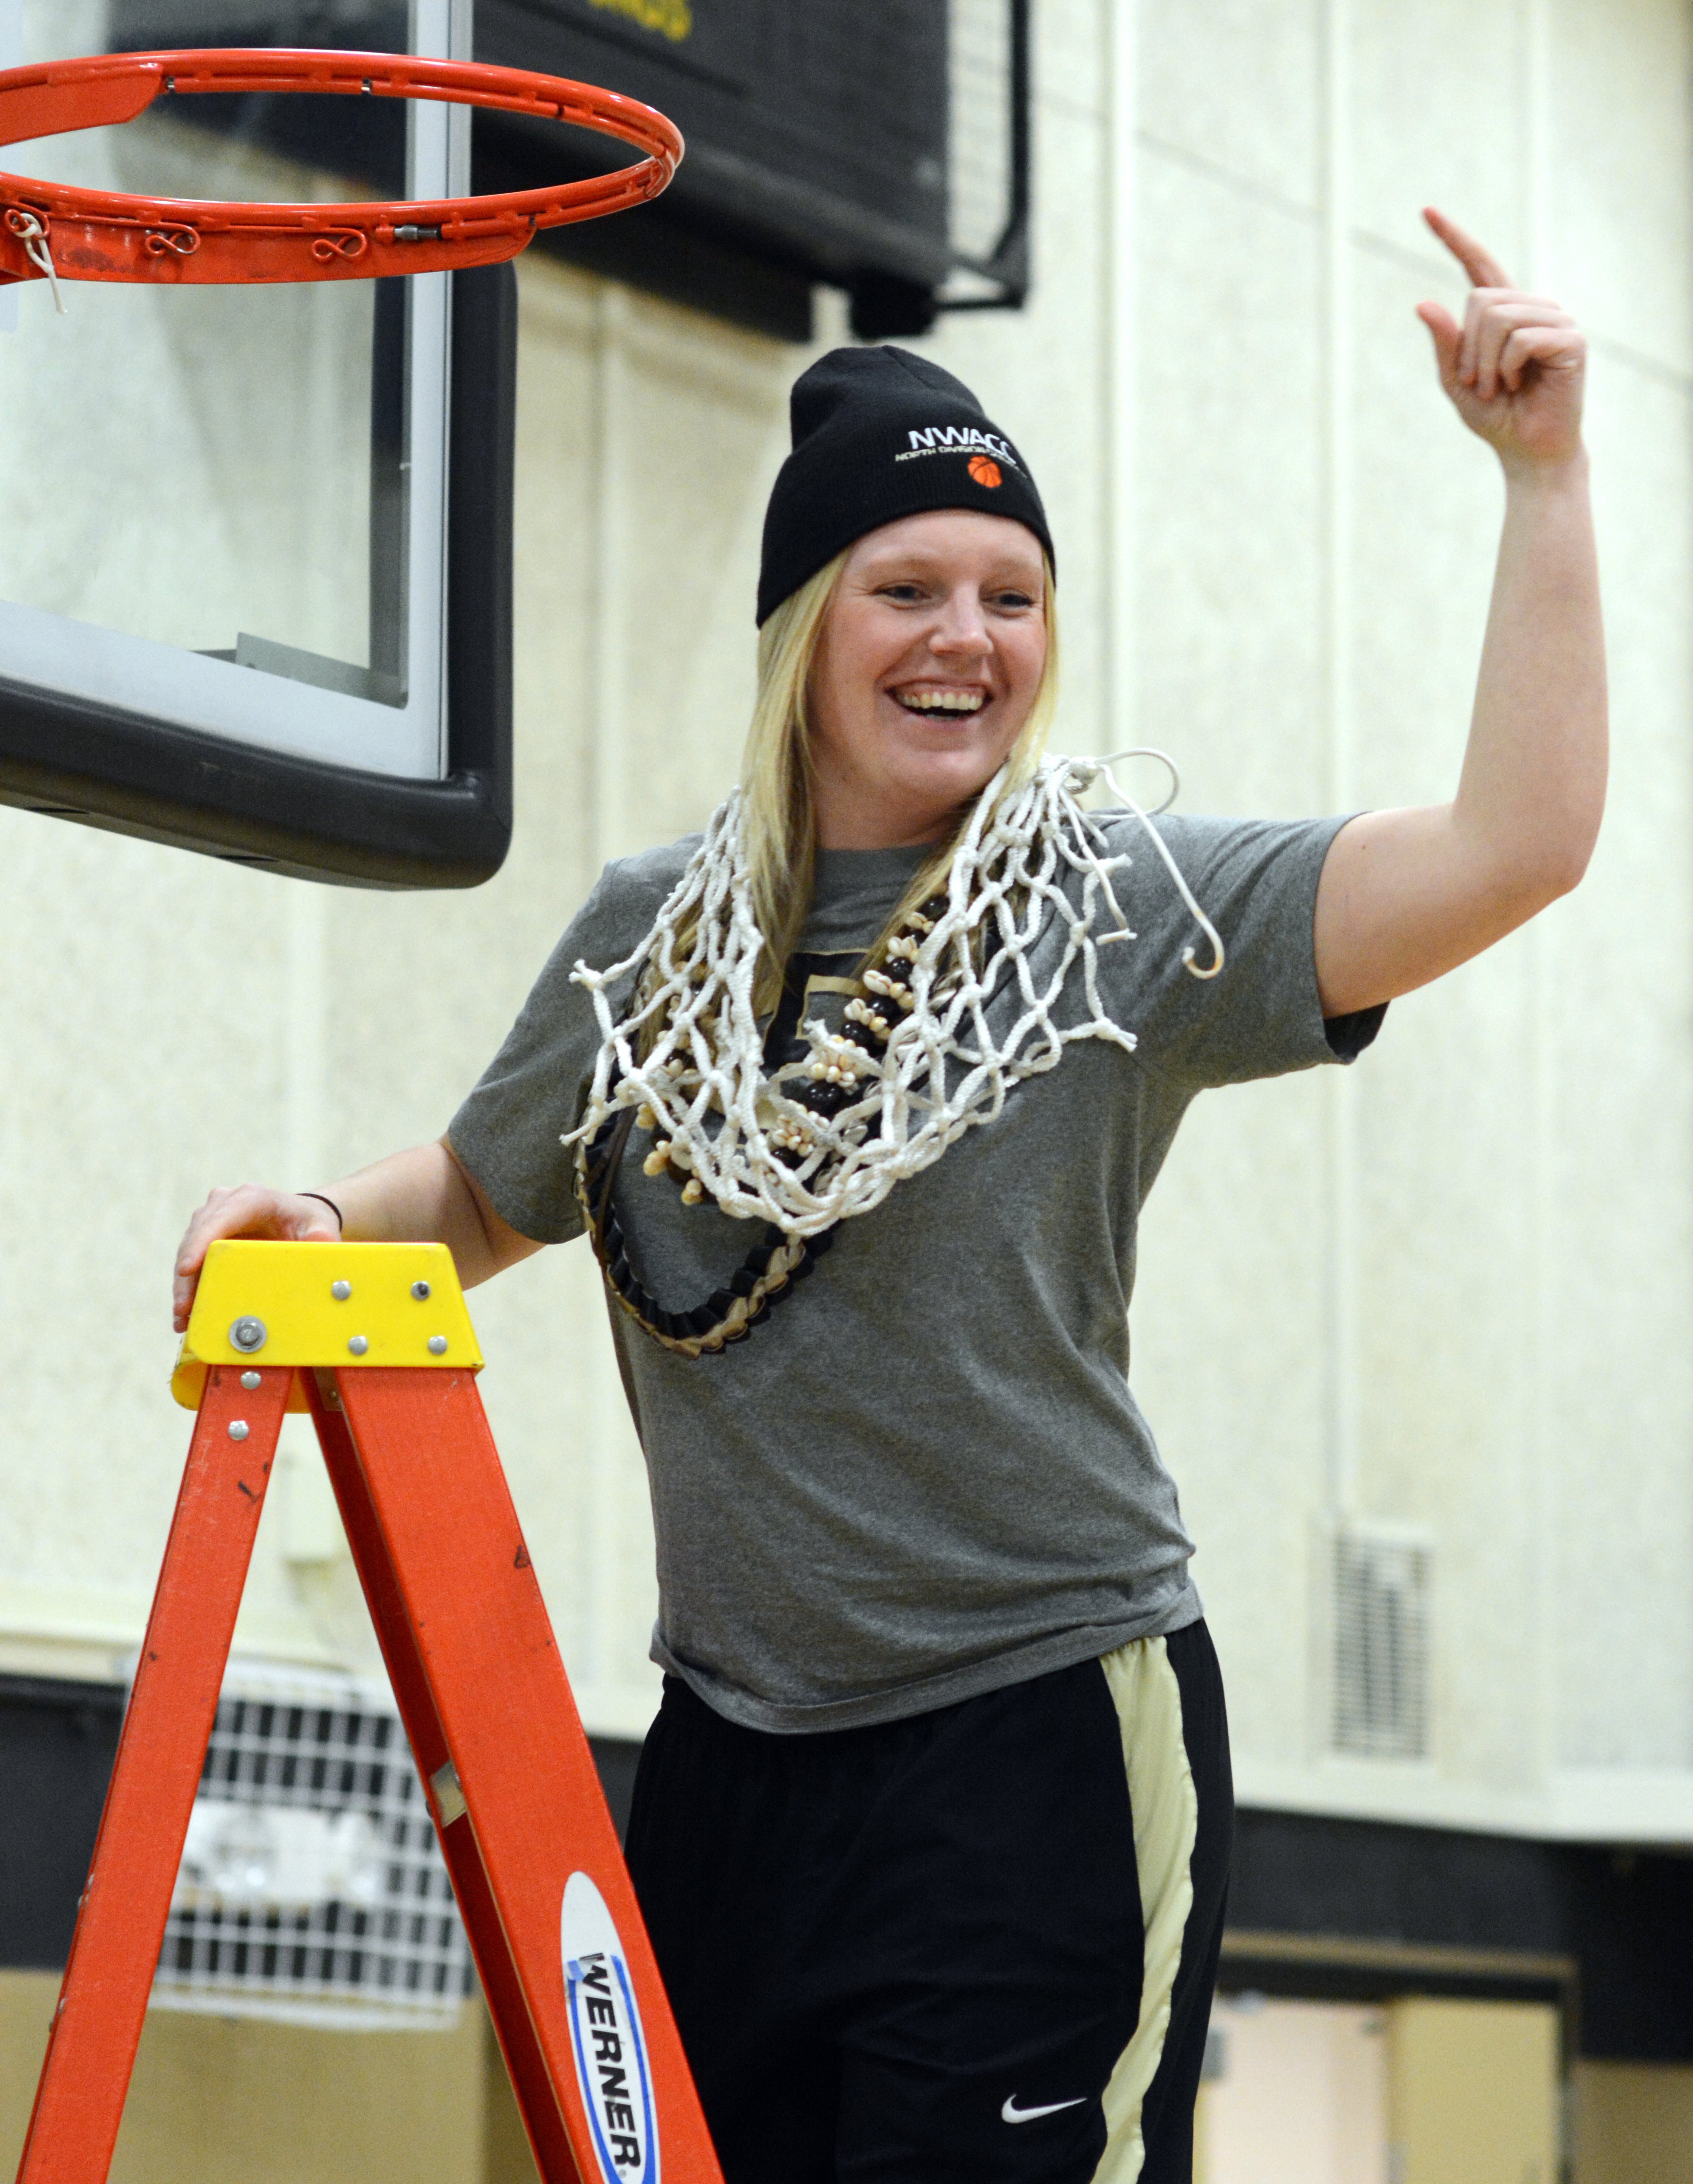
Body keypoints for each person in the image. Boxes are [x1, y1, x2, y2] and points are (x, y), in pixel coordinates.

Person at [172, 209, 1603, 2184]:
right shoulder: (653, 941)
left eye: (1011, 595)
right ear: (802, 628)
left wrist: (1543, 479)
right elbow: (490, 1195)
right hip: (731, 1760)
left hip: (1025, 1746)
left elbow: (1515, 845)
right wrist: (321, 1219)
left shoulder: (1115, 913)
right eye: (906, 584)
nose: (965, 637)